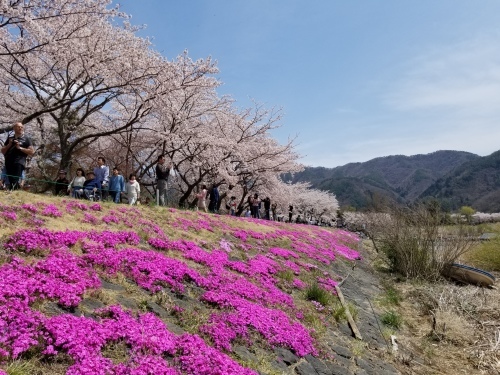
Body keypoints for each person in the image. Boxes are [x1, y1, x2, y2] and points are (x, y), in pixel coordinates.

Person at [1, 122, 35, 190]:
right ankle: (13, 191)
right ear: (14, 128)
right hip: (9, 161)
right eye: (18, 126)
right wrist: (9, 144)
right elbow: (2, 151)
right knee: (11, 179)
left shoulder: (26, 139)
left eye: (22, 127)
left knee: (15, 178)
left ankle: (14, 191)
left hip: (20, 161)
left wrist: (20, 148)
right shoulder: (10, 138)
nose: (20, 128)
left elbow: (32, 152)